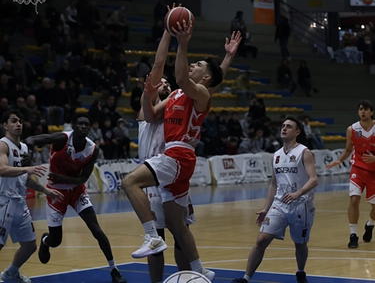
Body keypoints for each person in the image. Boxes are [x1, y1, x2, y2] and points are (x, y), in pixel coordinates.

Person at [136, 23, 241, 282]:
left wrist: (226, 59)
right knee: (161, 237)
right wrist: (167, 30)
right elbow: (160, 67)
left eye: (167, 83)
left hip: (174, 163)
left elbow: (208, 85)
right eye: (160, 83)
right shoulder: (153, 109)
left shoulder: (184, 97)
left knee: (178, 232)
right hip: (154, 173)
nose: (165, 83)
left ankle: (193, 275)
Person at [24, 113, 127, 283]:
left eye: (86, 124)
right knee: (55, 240)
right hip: (55, 193)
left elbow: (83, 179)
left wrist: (65, 179)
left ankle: (114, 270)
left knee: (97, 231)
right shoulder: (61, 139)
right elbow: (31, 139)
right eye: (80, 123)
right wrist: (29, 153)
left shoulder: (93, 149)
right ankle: (45, 241)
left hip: (77, 191)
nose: (84, 126)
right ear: (73, 126)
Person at [230, 116, 318, 283]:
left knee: (300, 243)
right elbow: (273, 184)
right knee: (261, 239)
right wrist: (265, 208)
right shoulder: (276, 155)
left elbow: (313, 179)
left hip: (301, 205)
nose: (284, 128)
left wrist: (297, 193)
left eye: (289, 126)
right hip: (280, 204)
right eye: (283, 125)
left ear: (297, 132)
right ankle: (246, 278)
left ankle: (300, 272)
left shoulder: (304, 152)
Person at [0, 109, 63, 283]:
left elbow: (23, 179)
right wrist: (26, 168)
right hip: (4, 202)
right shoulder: (3, 144)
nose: (18, 124)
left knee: (29, 246)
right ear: (5, 126)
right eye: (13, 121)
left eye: (19, 121)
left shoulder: (25, 148)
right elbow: (2, 170)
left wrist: (46, 190)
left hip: (20, 202)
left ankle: (10, 274)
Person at [326, 100, 375, 249]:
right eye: (360, 109)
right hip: (358, 169)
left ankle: (370, 224)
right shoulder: (352, 129)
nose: (363, 112)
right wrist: (339, 160)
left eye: (366, 109)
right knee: (354, 200)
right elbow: (348, 149)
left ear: (371, 112)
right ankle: (353, 234)